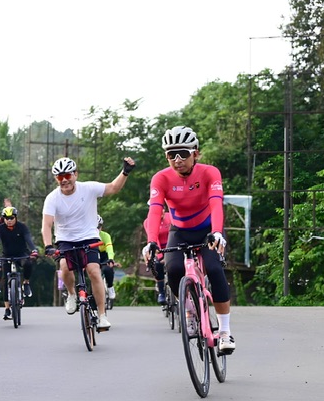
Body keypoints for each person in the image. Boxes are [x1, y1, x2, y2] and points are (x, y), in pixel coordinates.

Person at [143, 125, 235, 352]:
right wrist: (151, 241)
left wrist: (217, 231)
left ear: (196, 153)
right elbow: (155, 210)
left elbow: (216, 203)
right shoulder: (160, 178)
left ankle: (225, 331)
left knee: (214, 269)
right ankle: (189, 310)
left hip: (208, 230)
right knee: (173, 270)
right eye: (171, 155)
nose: (177, 160)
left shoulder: (210, 172)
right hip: (180, 231)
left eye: (183, 153)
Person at [42, 156, 136, 330]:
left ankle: (102, 315)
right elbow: (46, 225)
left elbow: (113, 188)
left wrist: (125, 172)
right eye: (60, 177)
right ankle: (71, 294)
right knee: (64, 267)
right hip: (65, 240)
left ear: (75, 174)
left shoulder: (88, 188)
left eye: (67, 175)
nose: (64, 180)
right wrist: (48, 246)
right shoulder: (52, 198)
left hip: (89, 237)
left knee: (94, 271)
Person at [0, 206, 39, 320]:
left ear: (16, 217)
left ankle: (26, 282)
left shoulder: (22, 227)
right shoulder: (0, 228)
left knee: (28, 264)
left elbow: (29, 240)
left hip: (21, 254)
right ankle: (7, 309)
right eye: (6, 218)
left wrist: (34, 250)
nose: (9, 220)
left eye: (11, 218)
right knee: (5, 281)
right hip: (7, 255)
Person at [143, 206, 171, 304]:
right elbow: (154, 239)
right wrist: (160, 257)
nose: (161, 212)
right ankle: (161, 292)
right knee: (158, 265)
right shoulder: (148, 222)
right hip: (158, 248)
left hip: (171, 245)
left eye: (162, 209)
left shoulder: (170, 217)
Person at [97, 215, 120, 301]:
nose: (97, 229)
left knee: (107, 269)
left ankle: (110, 286)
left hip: (104, 255)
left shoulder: (105, 236)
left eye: (98, 227)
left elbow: (110, 249)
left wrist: (110, 259)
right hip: (93, 254)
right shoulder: (87, 236)